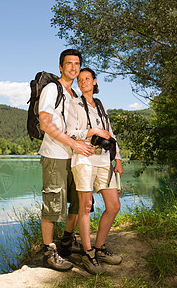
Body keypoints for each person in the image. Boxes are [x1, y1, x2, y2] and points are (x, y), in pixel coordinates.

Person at [38, 49, 95, 271]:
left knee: (78, 202)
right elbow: (45, 123)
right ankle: (49, 252)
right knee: (52, 204)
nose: (73, 67)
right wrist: (73, 144)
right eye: (69, 63)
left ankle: (66, 243)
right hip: (55, 155)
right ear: (60, 67)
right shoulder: (52, 89)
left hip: (75, 157)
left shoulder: (75, 96)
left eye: (77, 64)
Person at [66, 67, 124, 274]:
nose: (83, 82)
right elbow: (70, 133)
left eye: (87, 79)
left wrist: (117, 158)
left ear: (94, 81)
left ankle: (99, 248)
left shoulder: (100, 104)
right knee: (86, 205)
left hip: (103, 159)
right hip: (84, 159)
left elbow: (110, 133)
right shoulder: (73, 103)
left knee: (114, 205)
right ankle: (88, 254)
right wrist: (91, 131)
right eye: (80, 80)